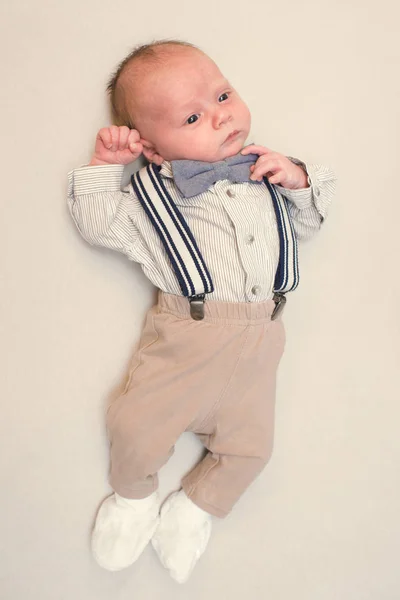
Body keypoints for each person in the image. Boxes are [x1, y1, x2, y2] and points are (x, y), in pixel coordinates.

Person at [67, 39, 336, 583]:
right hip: (186, 341)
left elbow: (310, 223)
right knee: (135, 425)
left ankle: (194, 509)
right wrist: (104, 165)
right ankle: (134, 499)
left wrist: (301, 181)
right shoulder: (154, 199)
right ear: (156, 150)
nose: (220, 116)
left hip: (261, 343)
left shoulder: (267, 173)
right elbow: (97, 223)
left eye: (222, 94)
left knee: (252, 451)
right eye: (193, 116)